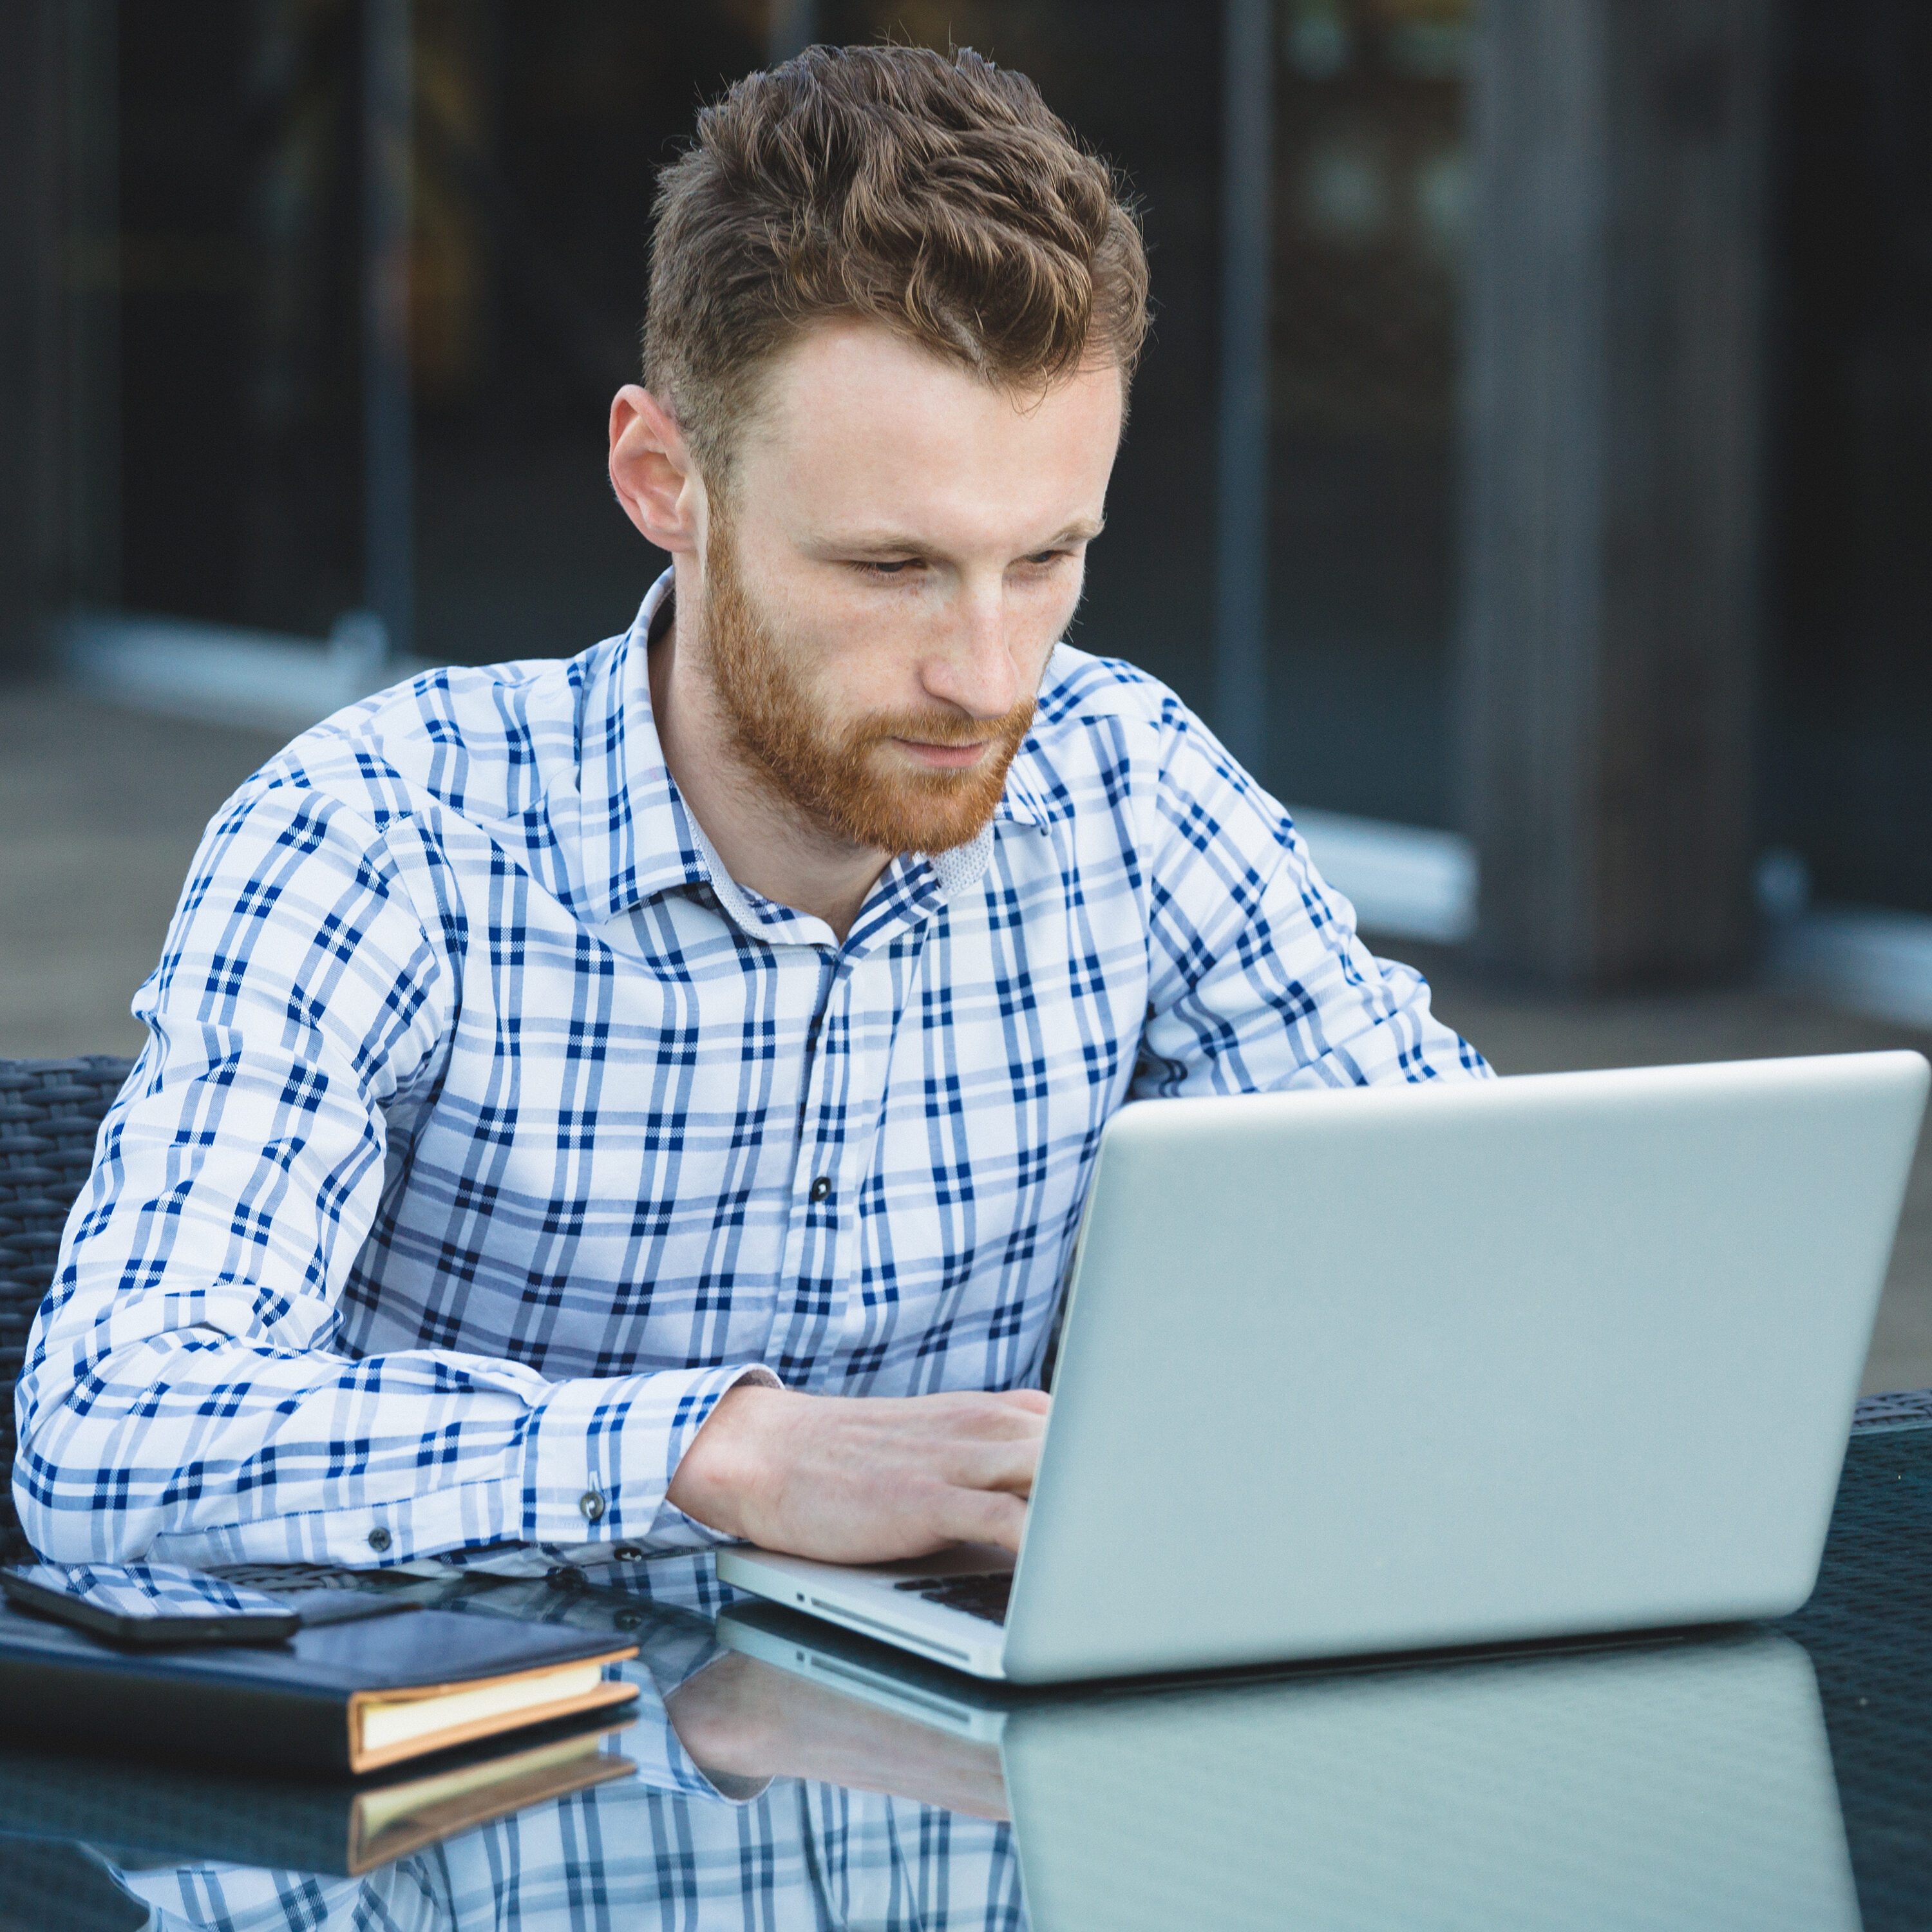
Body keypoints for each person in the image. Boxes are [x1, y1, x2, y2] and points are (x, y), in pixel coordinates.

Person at [15, 44, 1486, 1577]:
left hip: (977, 1787)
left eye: (1046, 559)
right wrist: (728, 1456)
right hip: (488, 1787)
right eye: (888, 567)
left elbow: (1484, 1234)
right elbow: (113, 1438)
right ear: (663, 479)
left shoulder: (1130, 789)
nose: (988, 675)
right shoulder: (378, 837)